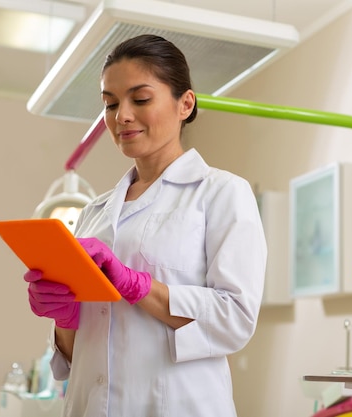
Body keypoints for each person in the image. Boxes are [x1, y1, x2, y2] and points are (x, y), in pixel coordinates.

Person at [24, 34, 267, 417]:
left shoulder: (221, 193)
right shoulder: (93, 213)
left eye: (140, 99)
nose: (121, 115)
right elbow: (77, 355)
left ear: (185, 104)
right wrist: (64, 318)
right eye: (110, 103)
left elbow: (234, 317)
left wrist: (137, 286)